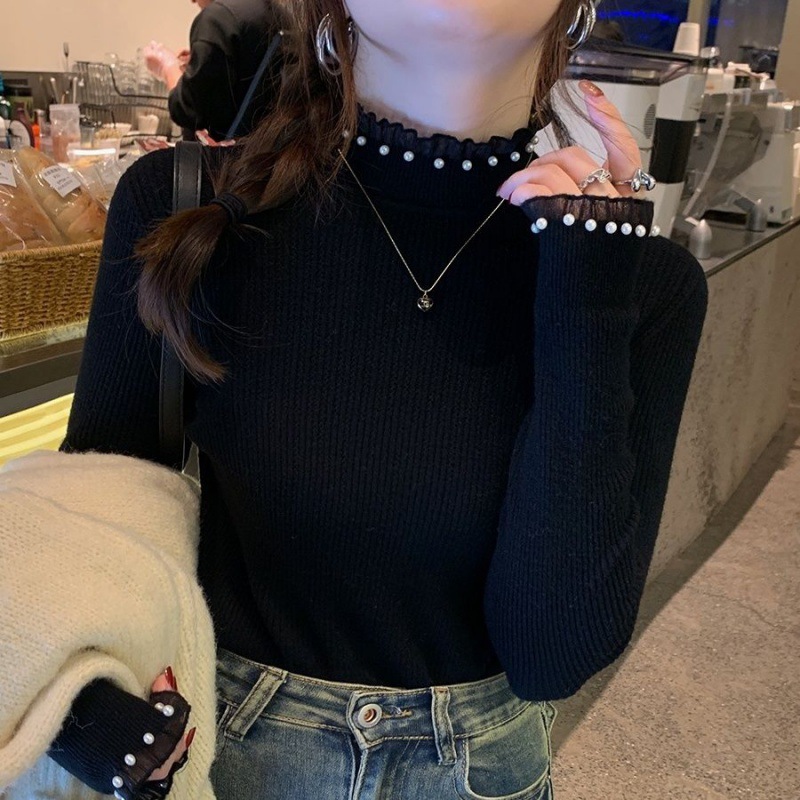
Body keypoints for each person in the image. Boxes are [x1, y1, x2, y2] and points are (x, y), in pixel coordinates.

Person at [42, 0, 709, 797]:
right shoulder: (186, 205)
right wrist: (89, 724)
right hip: (222, 760)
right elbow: (86, 528)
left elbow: (551, 657)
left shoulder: (634, 279)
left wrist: (589, 291)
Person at [144, 0, 283, 140]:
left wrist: (167, 66)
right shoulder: (277, 13)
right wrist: (202, 61)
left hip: (226, 151)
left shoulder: (218, 17)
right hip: (270, 146)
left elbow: (188, 111)